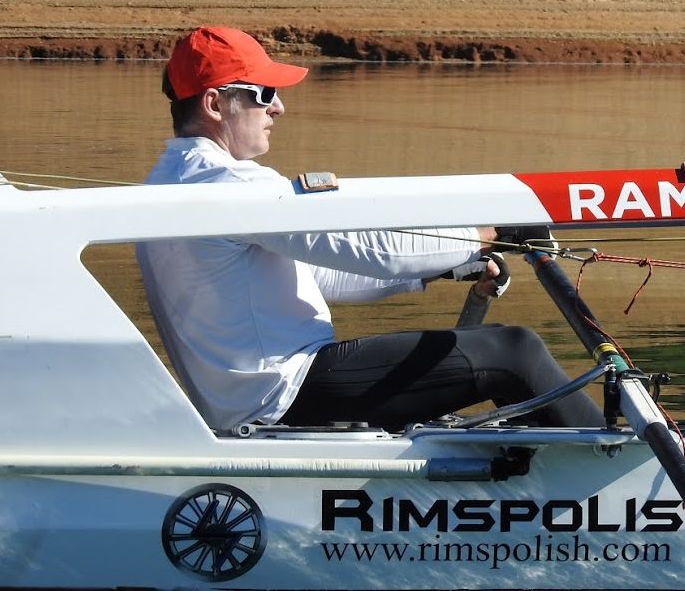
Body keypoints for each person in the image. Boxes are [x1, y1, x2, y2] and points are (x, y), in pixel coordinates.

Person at [136, 25, 604, 433]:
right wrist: (490, 230)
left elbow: (324, 276)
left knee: (501, 353)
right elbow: (370, 249)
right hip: (283, 394)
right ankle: (614, 469)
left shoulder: (169, 180)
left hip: (254, 396)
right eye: (262, 93)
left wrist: (448, 265)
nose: (277, 107)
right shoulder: (231, 184)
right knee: (513, 350)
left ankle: (543, 461)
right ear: (216, 103)